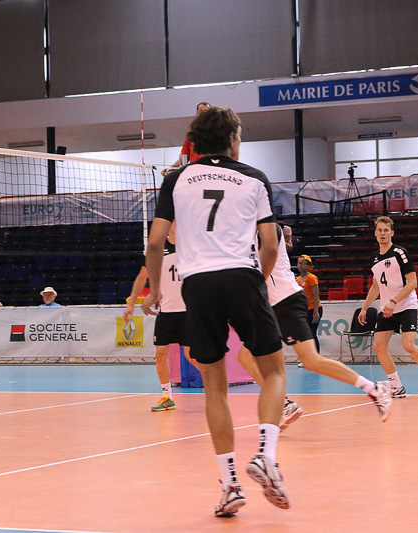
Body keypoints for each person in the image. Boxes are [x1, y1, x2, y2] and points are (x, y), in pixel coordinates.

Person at [143, 106, 289, 518]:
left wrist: (156, 289)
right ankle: (266, 456)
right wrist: (257, 282)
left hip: (198, 284)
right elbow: (271, 245)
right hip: (242, 276)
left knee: (214, 387)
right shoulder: (254, 177)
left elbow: (155, 243)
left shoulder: (176, 179)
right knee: (274, 372)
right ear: (232, 139)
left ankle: (230, 486)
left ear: (195, 142)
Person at [237, 224, 393, 426]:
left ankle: (375, 389)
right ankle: (284, 404)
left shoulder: (267, 228)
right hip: (272, 307)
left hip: (286, 301)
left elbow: (260, 267)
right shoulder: (245, 235)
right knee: (245, 355)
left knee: (311, 360)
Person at [358, 216, 418, 398]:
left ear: (392, 233)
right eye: (379, 230)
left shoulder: (400, 253)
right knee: (379, 347)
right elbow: (375, 286)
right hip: (387, 308)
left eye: (386, 230)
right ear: (375, 233)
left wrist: (394, 301)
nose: (382, 233)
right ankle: (397, 386)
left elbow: (413, 282)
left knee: (409, 346)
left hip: (405, 305)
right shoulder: (374, 257)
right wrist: (364, 308)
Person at [125, 222, 187, 412]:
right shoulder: (157, 248)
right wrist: (131, 303)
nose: (175, 224)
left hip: (189, 310)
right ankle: (167, 396)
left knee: (193, 355)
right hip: (166, 311)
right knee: (160, 354)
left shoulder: (190, 245)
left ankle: (215, 388)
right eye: (172, 220)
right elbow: (142, 276)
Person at [163, 102, 212, 172]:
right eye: (201, 111)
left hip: (212, 170)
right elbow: (184, 157)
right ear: (197, 113)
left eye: (206, 111)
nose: (204, 114)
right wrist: (170, 168)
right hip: (195, 171)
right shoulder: (191, 135)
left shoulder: (218, 134)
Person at [295, 255, 322, 352]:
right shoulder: (297, 279)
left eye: (303, 263)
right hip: (304, 309)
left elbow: (316, 295)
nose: (300, 265)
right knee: (305, 335)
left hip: (313, 308)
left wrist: (315, 312)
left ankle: (316, 356)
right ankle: (308, 355)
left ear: (308, 266)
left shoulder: (311, 278)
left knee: (312, 333)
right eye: (299, 263)